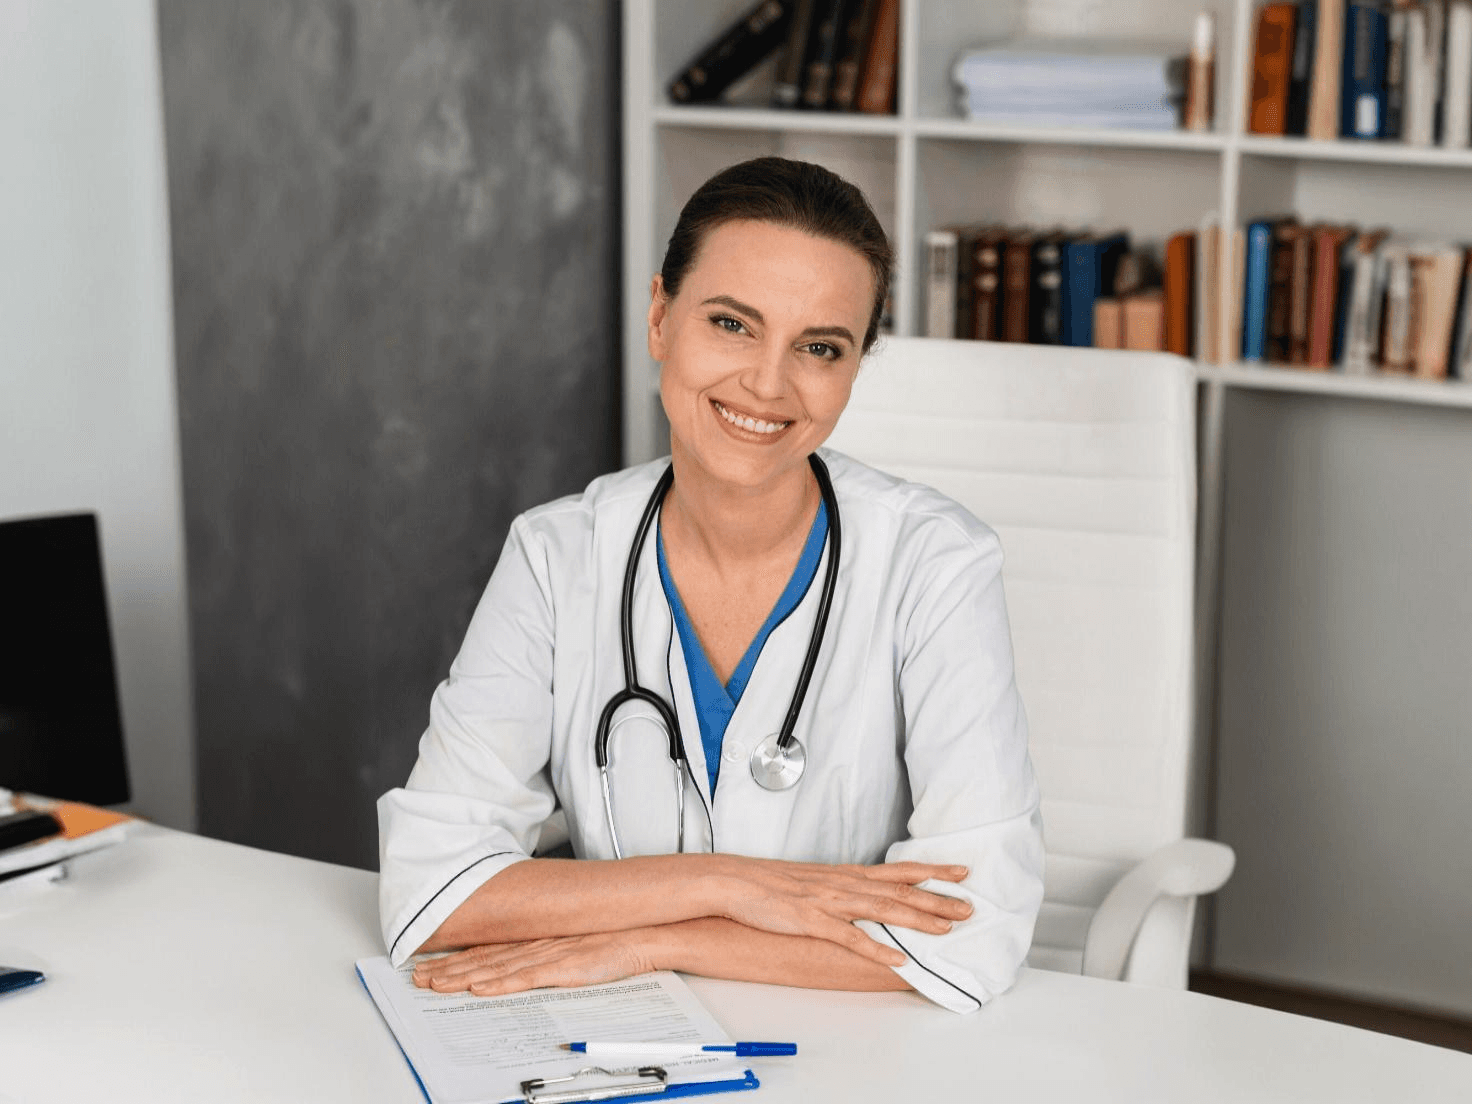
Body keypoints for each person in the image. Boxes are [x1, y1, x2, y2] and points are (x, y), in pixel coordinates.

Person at [377, 157, 1043, 1013]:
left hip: (857, 1050)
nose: (768, 384)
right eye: (732, 323)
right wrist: (731, 884)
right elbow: (433, 894)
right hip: (619, 1044)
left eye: (820, 347)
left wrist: (650, 938)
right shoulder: (556, 555)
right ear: (661, 316)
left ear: (854, 368)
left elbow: (975, 927)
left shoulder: (935, 565)